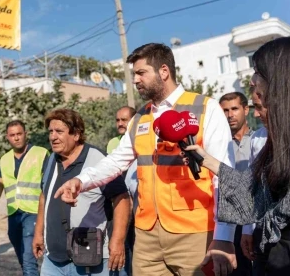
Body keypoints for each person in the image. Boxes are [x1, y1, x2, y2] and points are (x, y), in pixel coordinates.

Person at [55, 43, 237, 276]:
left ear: (164, 71)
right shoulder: (140, 117)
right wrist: (80, 181)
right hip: (147, 237)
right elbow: (115, 162)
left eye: (141, 73)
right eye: (134, 74)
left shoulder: (206, 108)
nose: (135, 80)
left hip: (196, 234)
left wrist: (224, 237)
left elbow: (225, 177)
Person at [184, 36, 290, 275]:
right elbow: (253, 193)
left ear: (282, 78)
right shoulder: (278, 140)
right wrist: (207, 160)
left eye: (258, 73)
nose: (252, 82)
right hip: (273, 259)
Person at [32, 108, 130, 275]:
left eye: (59, 132)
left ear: (76, 134)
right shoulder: (50, 161)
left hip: (92, 259)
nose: (53, 137)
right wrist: (38, 233)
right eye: (50, 131)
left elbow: (122, 198)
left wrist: (118, 241)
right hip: (54, 261)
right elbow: (44, 197)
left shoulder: (98, 160)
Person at [0, 120, 49, 276]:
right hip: (14, 214)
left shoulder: (40, 153)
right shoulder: (4, 159)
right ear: (7, 137)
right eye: (12, 135)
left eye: (19, 134)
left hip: (33, 212)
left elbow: (48, 185)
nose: (16, 138)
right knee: (23, 259)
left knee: (29, 260)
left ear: (26, 134)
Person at [219, 92, 253, 276]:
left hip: (254, 217)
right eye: (225, 110)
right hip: (228, 220)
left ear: (246, 109)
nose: (230, 115)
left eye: (234, 109)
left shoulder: (259, 140)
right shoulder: (218, 146)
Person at [240, 82, 268, 276]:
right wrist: (247, 230)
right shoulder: (257, 139)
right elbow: (252, 187)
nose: (255, 115)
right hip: (262, 235)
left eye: (259, 107)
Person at [106, 106, 136, 276]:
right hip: (120, 203)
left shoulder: (142, 140)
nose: (120, 123)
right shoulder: (113, 143)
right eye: (118, 120)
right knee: (122, 246)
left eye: (124, 120)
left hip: (140, 203)